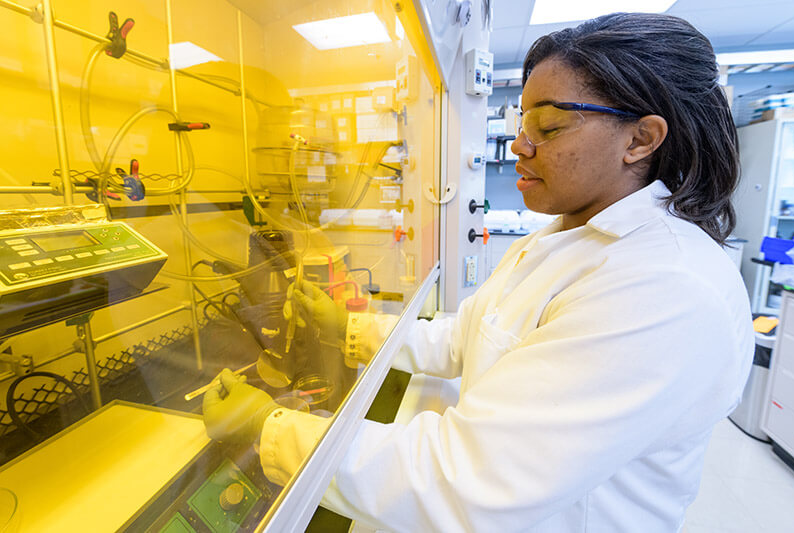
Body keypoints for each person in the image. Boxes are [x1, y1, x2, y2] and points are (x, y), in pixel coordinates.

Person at [202, 12, 754, 532]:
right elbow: (463, 337)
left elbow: (468, 479)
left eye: (549, 126)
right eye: (522, 122)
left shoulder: (663, 286)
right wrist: (346, 324)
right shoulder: (566, 237)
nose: (519, 144)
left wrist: (268, 428)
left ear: (640, 139)